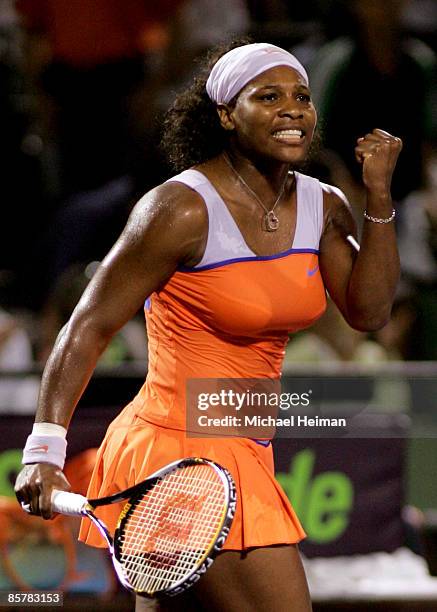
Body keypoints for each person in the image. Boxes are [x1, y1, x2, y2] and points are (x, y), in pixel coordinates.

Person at [14, 41, 402, 611]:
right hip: (180, 450)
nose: (292, 109)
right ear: (226, 114)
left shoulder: (324, 205)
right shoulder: (180, 210)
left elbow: (369, 312)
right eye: (268, 97)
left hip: (246, 442)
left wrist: (379, 196)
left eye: (301, 97)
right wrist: (43, 450)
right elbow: (88, 325)